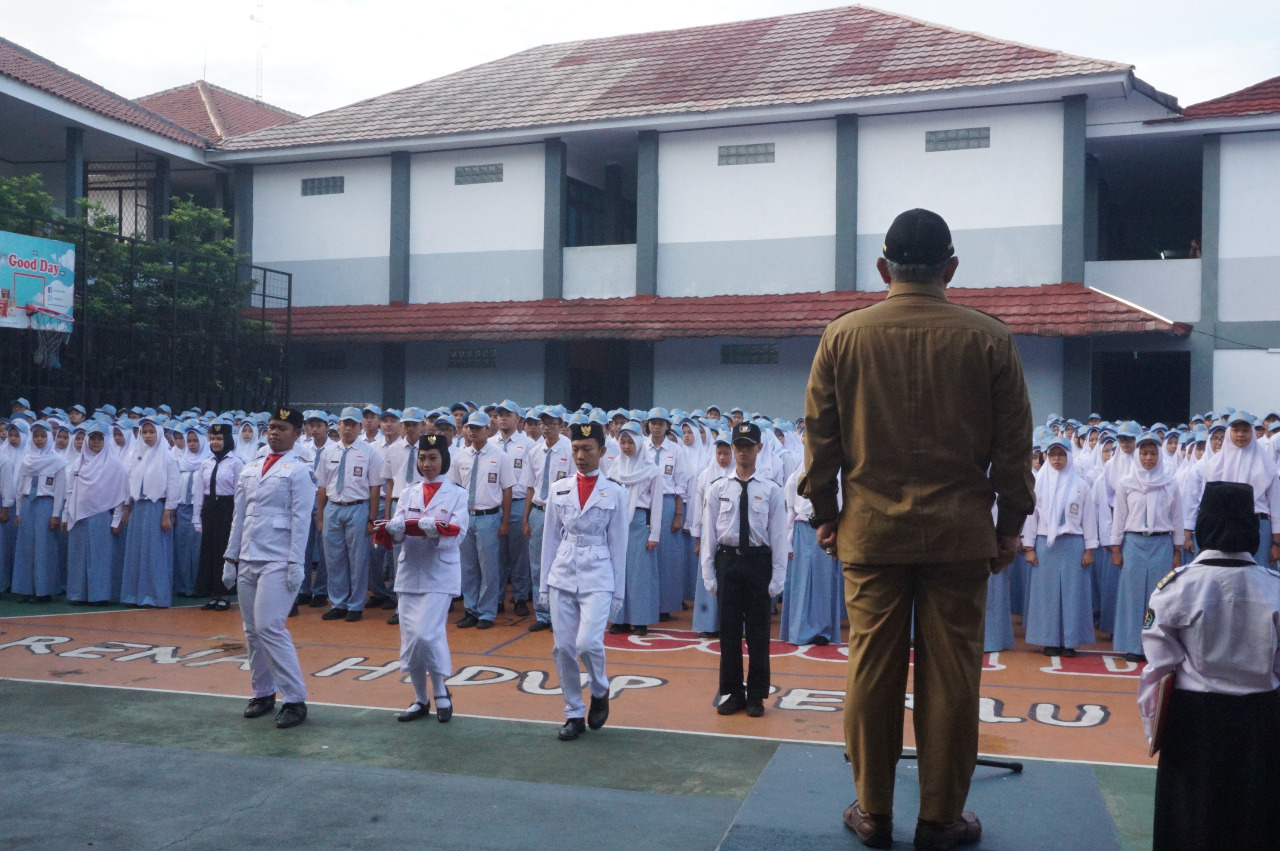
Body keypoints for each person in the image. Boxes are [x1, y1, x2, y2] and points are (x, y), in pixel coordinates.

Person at [801, 209, 1034, 850]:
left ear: (883, 269)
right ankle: (940, 818)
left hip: (871, 535)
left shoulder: (842, 337)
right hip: (961, 536)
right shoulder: (989, 338)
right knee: (953, 675)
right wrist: (1010, 525)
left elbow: (819, 437)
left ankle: (873, 810)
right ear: (950, 269)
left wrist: (825, 512)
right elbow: (1014, 446)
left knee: (871, 669)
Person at [1138, 481, 1280, 850]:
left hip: (1195, 716)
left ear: (1203, 526)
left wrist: (1156, 727)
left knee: (1190, 816)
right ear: (1252, 528)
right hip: (1261, 714)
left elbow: (1160, 668)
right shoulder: (1273, 587)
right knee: (1255, 814)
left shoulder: (1176, 588)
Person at [222, 407, 316, 729]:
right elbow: (239, 517)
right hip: (249, 556)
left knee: (269, 626)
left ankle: (295, 698)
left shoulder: (300, 471)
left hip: (278, 558)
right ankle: (262, 692)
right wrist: (230, 557)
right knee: (251, 630)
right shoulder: (250, 468)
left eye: (283, 428)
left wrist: (296, 563)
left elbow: (302, 521)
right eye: (272, 427)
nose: (275, 432)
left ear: (298, 433)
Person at [539, 421, 628, 741]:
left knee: (588, 643)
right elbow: (549, 539)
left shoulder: (615, 491)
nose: (580, 455)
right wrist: (543, 586)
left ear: (602, 452)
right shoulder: (558, 488)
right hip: (563, 571)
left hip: (598, 573)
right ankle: (574, 711)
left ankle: (600, 689)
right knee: (562, 648)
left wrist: (618, 592)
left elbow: (619, 545)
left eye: (587, 449)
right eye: (575, 449)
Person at [700, 422, 788, 716]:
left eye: (748, 446)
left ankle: (756, 696)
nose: (742, 452)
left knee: (758, 633)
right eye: (738, 446)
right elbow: (710, 533)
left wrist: (778, 576)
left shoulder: (771, 490)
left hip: (758, 562)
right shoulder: (718, 489)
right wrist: (709, 573)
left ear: (759, 448)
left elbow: (778, 536)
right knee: (729, 632)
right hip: (728, 562)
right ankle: (733, 692)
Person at [385, 434, 469, 723]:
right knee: (411, 638)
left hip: (439, 572)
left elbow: (458, 532)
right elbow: (396, 532)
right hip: (409, 572)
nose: (427, 463)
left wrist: (434, 529)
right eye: (422, 458)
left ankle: (442, 689)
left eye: (433, 457)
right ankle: (421, 699)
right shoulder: (408, 493)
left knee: (426, 634)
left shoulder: (458, 494)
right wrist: (395, 530)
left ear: (443, 460)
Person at [1110, 432, 1183, 661]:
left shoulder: (1170, 483)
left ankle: (1157, 646)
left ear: (1159, 455)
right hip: (1134, 542)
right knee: (1132, 596)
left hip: (1161, 542)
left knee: (1158, 596)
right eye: (1143, 453)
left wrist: (1177, 549)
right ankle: (1133, 645)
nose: (1148, 458)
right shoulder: (1126, 483)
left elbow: (1177, 517)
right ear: (1137, 455)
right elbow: (1120, 517)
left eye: (1152, 453)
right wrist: (1116, 548)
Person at [1022, 438, 1098, 657]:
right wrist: (1029, 548)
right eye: (1053, 454)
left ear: (1069, 457)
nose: (1057, 459)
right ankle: (1049, 640)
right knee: (1047, 596)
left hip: (1073, 544)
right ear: (1046, 456)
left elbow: (1089, 519)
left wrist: (1089, 549)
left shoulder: (1080, 484)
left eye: (1061, 454)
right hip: (1046, 545)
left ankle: (1070, 642)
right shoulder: (1038, 484)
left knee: (1073, 593)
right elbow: (1031, 517)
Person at [314, 407, 384, 622]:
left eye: (353, 424)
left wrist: (372, 517)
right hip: (333, 507)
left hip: (358, 507)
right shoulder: (329, 452)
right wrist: (320, 516)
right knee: (334, 558)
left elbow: (374, 487)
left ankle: (355, 604)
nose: (348, 428)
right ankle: (338, 602)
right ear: (338, 425)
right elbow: (323, 486)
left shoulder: (370, 452)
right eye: (345, 423)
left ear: (360, 427)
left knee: (358, 558)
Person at [449, 411, 516, 630]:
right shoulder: (460, 456)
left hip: (489, 516)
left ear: (488, 430)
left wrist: (505, 521)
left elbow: (507, 491)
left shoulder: (500, 456)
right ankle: (471, 609)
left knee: (489, 567)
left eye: (478, 428)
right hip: (466, 516)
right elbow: (455, 489)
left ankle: (487, 612)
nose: (473, 432)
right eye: (470, 427)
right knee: (468, 566)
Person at [606, 422, 662, 636]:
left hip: (640, 523)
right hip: (617, 523)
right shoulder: (615, 469)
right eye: (623, 441)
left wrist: (654, 534)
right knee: (618, 572)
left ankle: (640, 620)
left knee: (640, 575)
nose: (626, 446)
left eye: (631, 442)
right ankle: (619, 619)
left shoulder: (652, 471)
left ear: (639, 443)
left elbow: (656, 505)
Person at [62, 422, 127, 605]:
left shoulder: (114, 465)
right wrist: (65, 515)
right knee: (78, 557)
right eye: (92, 438)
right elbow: (70, 490)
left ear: (105, 440)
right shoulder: (79, 462)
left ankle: (98, 595)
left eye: (100, 438)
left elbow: (120, 495)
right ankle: (78, 594)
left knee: (99, 557)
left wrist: (116, 520)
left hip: (101, 516)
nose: (96, 442)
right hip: (78, 515)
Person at [521, 405, 573, 632]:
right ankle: (543, 614)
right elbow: (530, 489)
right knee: (538, 565)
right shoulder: (534, 452)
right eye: (544, 424)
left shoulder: (570, 450)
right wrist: (526, 518)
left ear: (561, 426)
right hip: (539, 512)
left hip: (562, 514)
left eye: (552, 424)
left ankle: (561, 613)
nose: (547, 428)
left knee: (562, 565)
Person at [119, 417, 180, 608]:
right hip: (139, 508)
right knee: (136, 553)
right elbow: (129, 482)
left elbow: (173, 486)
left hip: (157, 508)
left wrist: (166, 514)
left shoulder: (168, 456)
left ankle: (155, 596)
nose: (147, 436)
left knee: (155, 554)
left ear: (159, 433)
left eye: (151, 432)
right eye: (144, 432)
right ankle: (133, 595)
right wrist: (127, 508)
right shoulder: (135, 454)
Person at [781, 464, 843, 647]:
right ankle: (798, 629)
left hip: (827, 529)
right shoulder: (795, 476)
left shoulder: (835, 475)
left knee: (824, 581)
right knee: (800, 581)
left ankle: (823, 631)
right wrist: (788, 541)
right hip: (801, 529)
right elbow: (791, 511)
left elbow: (841, 506)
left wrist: (837, 536)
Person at [11, 421, 69, 603]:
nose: (39, 439)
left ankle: (43, 591)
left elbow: (60, 490)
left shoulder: (57, 462)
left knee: (44, 548)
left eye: (43, 436)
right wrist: (19, 511)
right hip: (28, 504)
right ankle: (26, 589)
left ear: (49, 437)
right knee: (26, 547)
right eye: (36, 436)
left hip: (46, 504)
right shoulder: (27, 460)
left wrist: (55, 514)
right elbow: (21, 487)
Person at [193, 422, 245, 610]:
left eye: (219, 439)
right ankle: (213, 594)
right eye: (213, 438)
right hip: (210, 508)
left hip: (227, 508)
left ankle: (225, 595)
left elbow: (240, 492)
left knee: (224, 552)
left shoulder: (236, 462)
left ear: (227, 440)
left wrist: (238, 516)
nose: (215, 442)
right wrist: (197, 518)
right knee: (209, 552)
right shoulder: (206, 463)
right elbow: (199, 492)